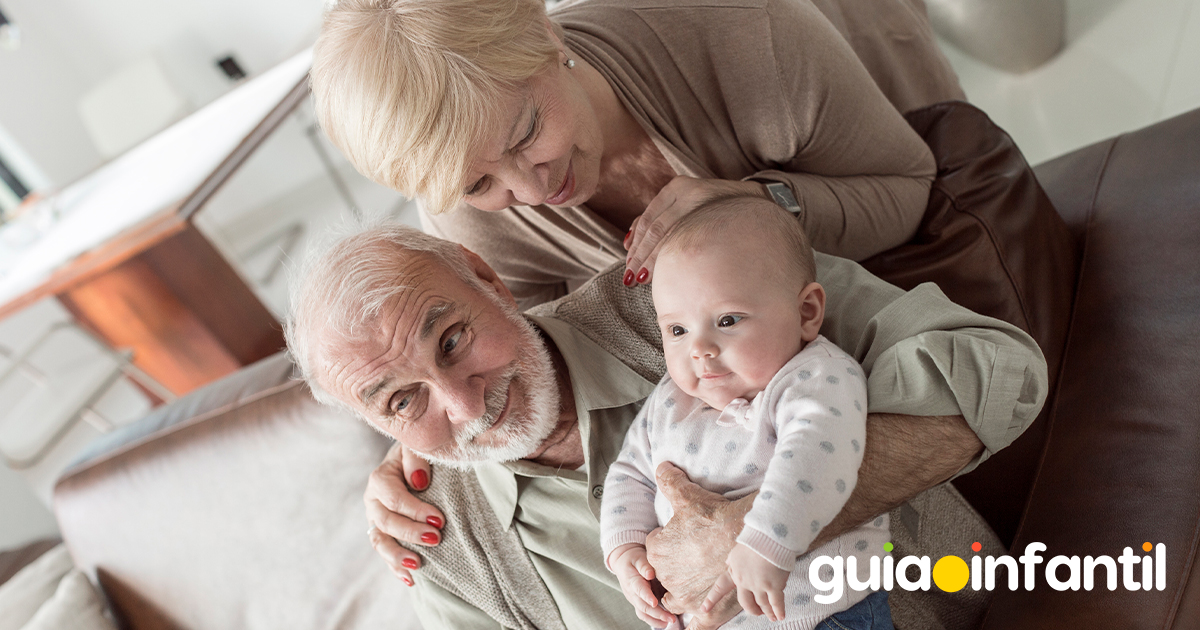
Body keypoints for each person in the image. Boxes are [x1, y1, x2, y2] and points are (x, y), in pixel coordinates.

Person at [284, 221, 1048, 630]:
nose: (462, 403)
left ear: (486, 277)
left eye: (450, 340)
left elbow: (999, 369)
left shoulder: (688, 301)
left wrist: (767, 528)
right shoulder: (440, 546)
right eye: (400, 402)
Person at [309, 0, 965, 308]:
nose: (532, 194)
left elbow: (912, 186)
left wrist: (765, 207)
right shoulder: (468, 217)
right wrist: (421, 451)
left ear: (545, 32)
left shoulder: (751, 31)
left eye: (526, 134)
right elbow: (531, 365)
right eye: (480, 182)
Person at [601, 198, 890, 630]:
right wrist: (625, 553)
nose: (699, 348)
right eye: (677, 330)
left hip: (822, 613)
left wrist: (766, 542)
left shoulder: (813, 377)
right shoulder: (670, 399)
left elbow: (818, 459)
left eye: (727, 319)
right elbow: (629, 474)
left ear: (806, 312)